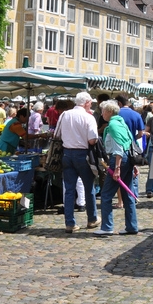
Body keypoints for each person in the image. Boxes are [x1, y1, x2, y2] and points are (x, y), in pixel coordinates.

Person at [57, 92, 100, 232]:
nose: (91, 105)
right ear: (86, 102)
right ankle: (92, 219)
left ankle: (70, 223)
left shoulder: (64, 115)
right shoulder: (88, 117)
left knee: (69, 189)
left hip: (67, 153)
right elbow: (92, 140)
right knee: (89, 187)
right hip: (82, 154)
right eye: (91, 103)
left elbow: (56, 135)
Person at [94, 100, 139, 236]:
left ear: (109, 112)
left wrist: (117, 168)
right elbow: (129, 143)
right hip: (127, 159)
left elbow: (119, 147)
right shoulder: (121, 122)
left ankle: (107, 227)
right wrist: (133, 164)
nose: (101, 114)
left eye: (102, 111)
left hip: (118, 160)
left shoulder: (113, 124)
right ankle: (131, 226)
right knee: (127, 194)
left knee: (106, 194)